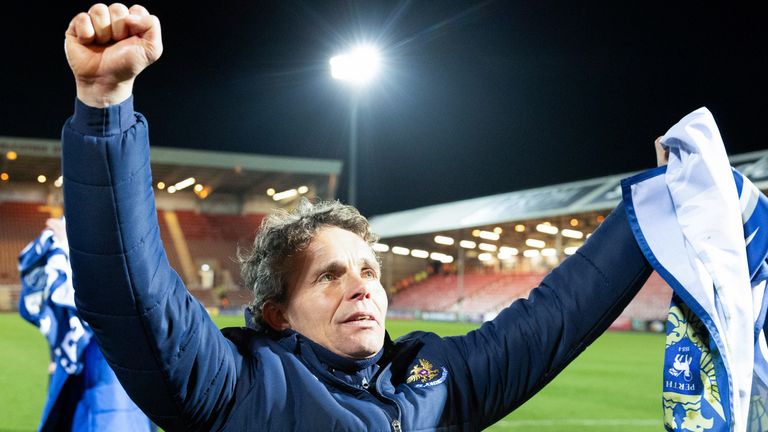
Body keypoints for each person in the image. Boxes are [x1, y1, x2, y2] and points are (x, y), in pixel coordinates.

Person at [61, 4, 656, 431]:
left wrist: (652, 205)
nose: (361, 287)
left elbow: (557, 314)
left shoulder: (438, 381)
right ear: (278, 314)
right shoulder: (239, 388)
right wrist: (106, 108)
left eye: (369, 271)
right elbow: (134, 298)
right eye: (330, 275)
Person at [18, 218, 155, 432]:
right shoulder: (132, 268)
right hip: (114, 391)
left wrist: (64, 247)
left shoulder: (111, 275)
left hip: (105, 393)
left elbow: (78, 302)